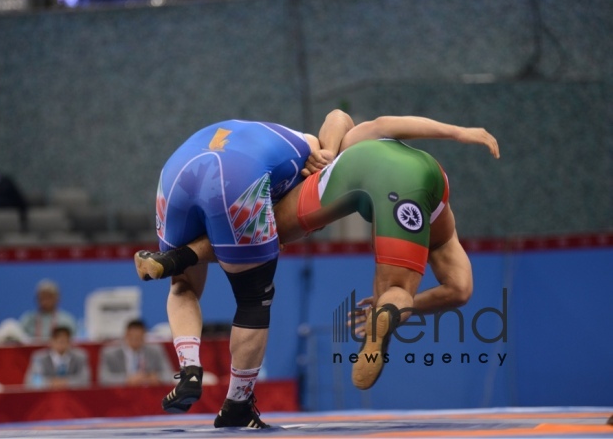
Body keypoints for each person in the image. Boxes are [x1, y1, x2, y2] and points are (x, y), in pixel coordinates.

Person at [135, 110, 500, 396]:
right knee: (402, 291)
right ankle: (388, 311)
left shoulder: (326, 154)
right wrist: (460, 132)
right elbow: (461, 290)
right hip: (429, 178)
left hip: (350, 174)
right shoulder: (341, 139)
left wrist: (324, 151)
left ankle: (176, 259)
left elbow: (357, 122)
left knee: (257, 236)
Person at [133, 116, 344, 429]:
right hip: (238, 176)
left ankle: (189, 369)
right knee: (253, 295)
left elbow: (336, 117)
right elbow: (341, 118)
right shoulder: (319, 159)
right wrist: (333, 155)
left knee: (183, 284)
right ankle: (237, 405)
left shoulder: (293, 145)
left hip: (176, 172)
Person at [98, 319, 176, 387]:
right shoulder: (110, 353)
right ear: (126, 335)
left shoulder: (155, 351)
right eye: (132, 337)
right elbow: (103, 378)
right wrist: (126, 380)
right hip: (120, 396)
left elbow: (169, 374)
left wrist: (158, 378)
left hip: (148, 394)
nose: (136, 341)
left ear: (144, 336)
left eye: (139, 338)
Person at [24, 325, 90, 388]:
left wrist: (67, 383)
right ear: (51, 341)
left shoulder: (80, 356)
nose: (60, 344)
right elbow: (32, 380)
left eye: (63, 341)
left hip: (72, 396)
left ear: (69, 342)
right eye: (58, 341)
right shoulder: (39, 357)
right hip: (47, 396)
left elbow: (85, 379)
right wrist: (50, 383)